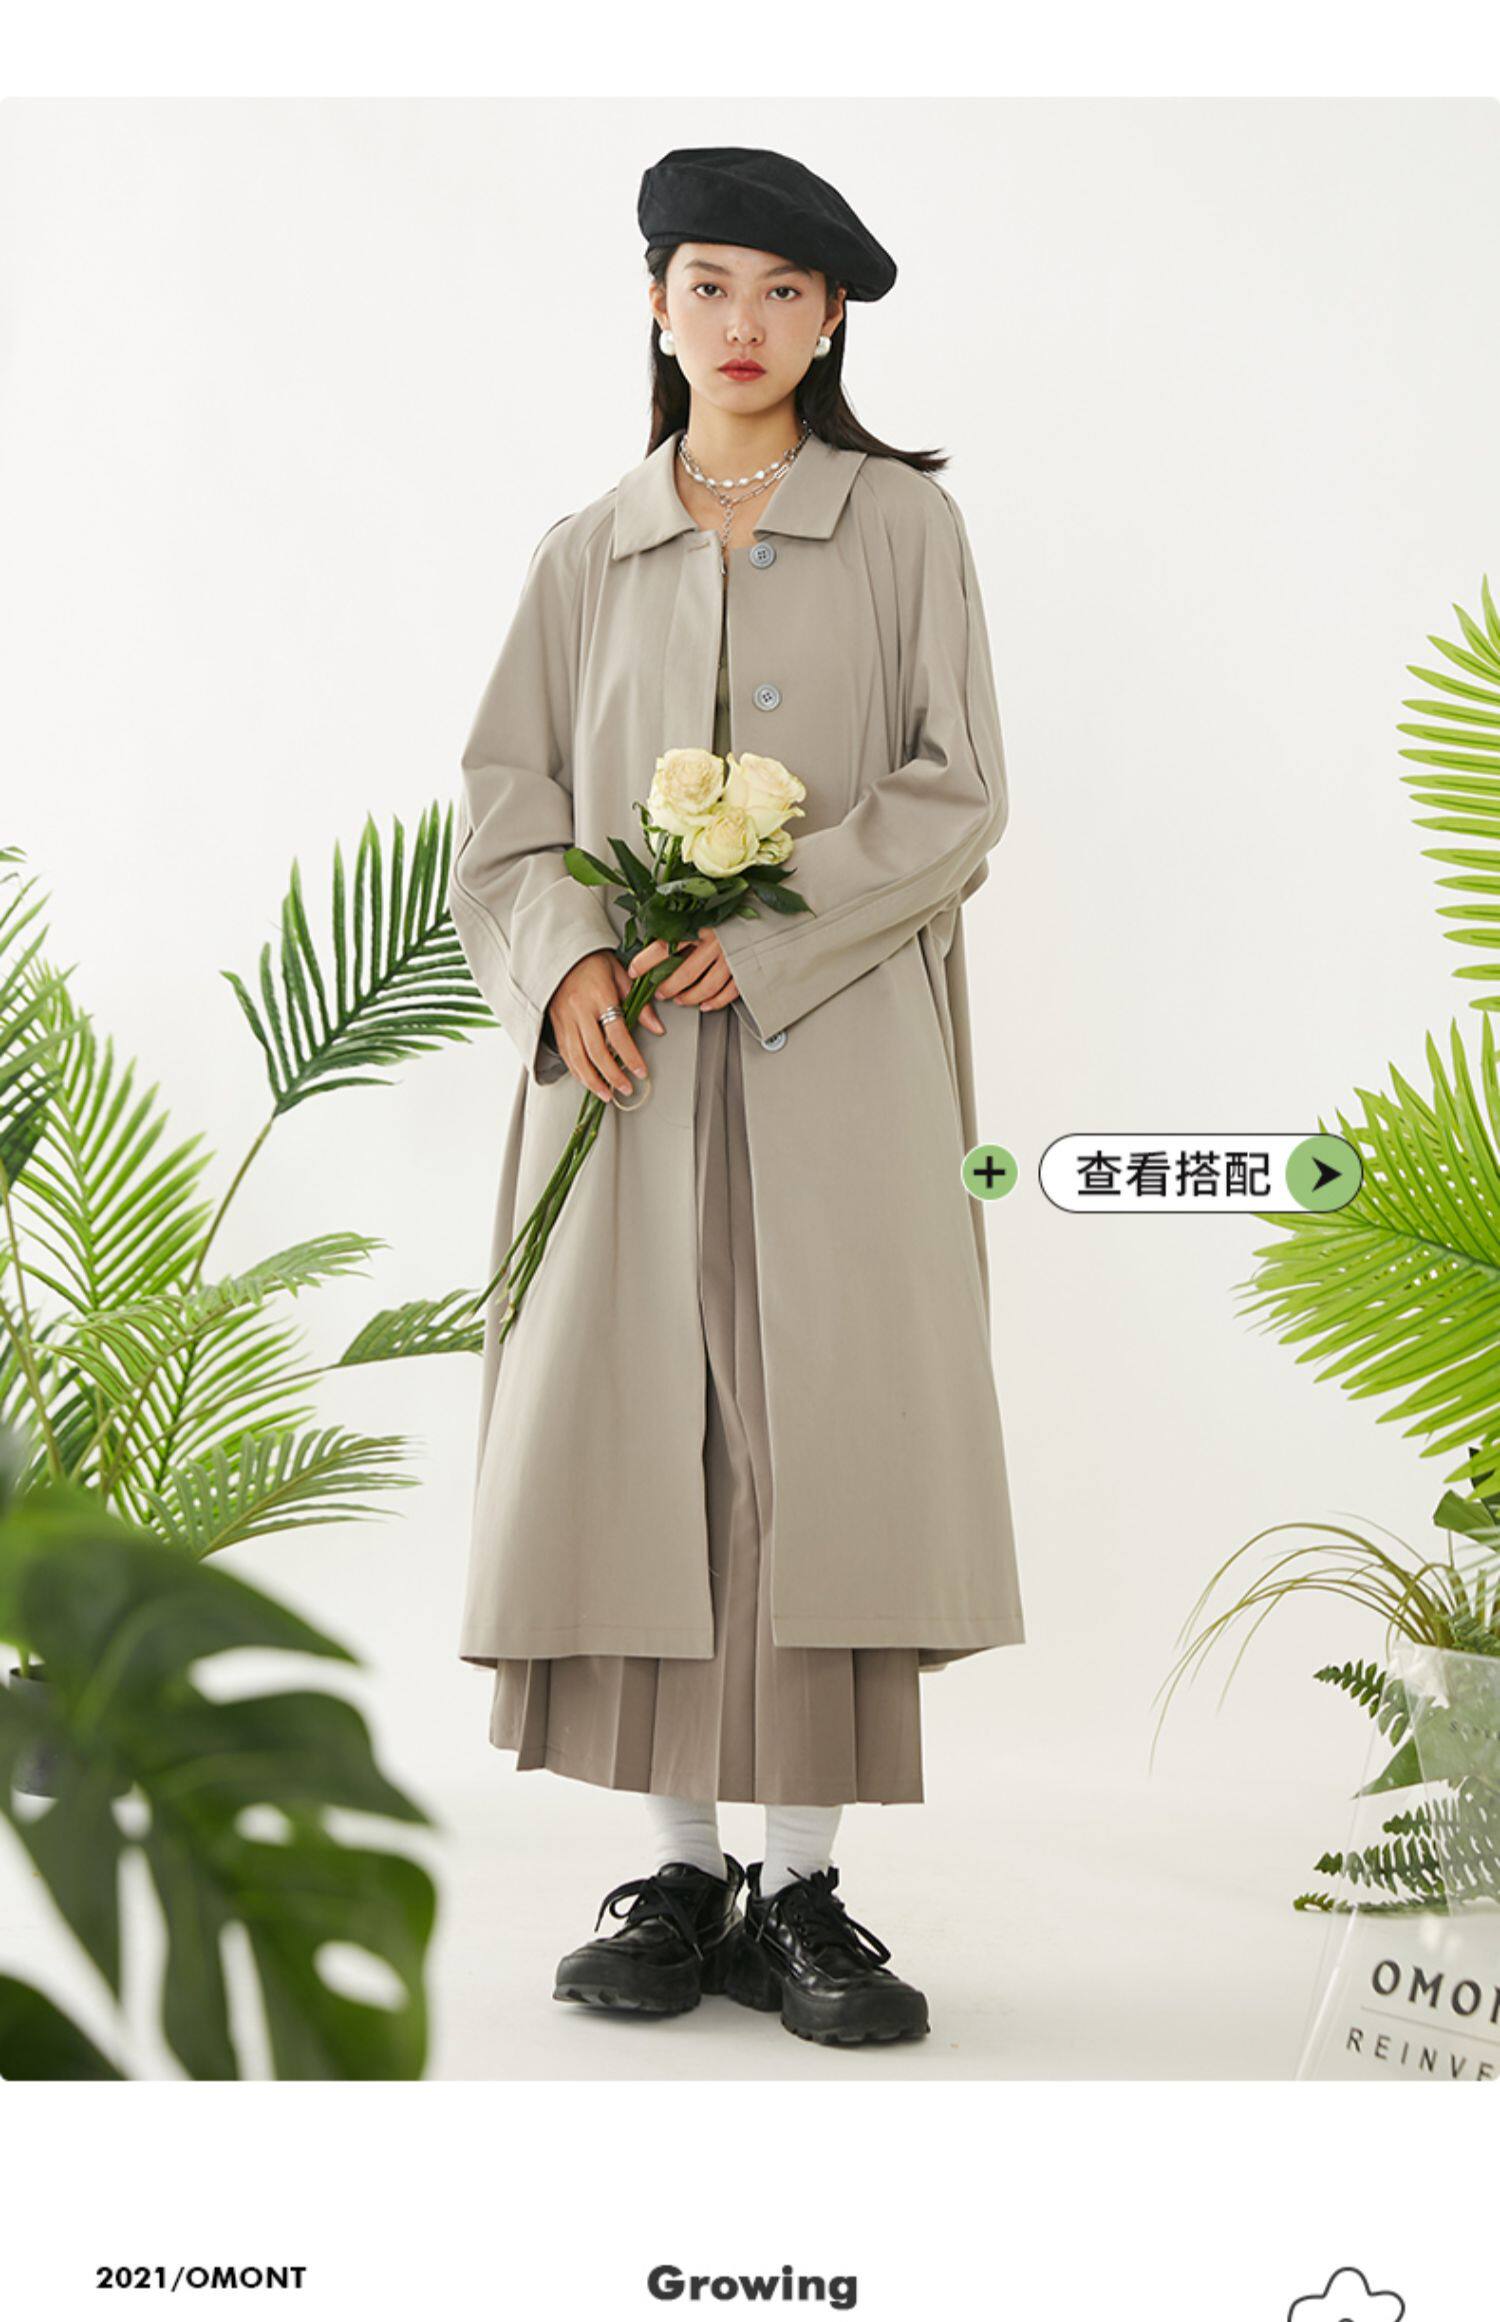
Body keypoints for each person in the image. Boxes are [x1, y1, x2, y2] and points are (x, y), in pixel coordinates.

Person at [448, 145, 1025, 2047]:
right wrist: (567, 966)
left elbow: (957, 791)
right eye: (709, 284)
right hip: (622, 1067)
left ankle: (802, 1883)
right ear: (655, 302)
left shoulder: (903, 528)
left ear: (832, 316)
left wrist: (773, 930)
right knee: (642, 1430)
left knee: (817, 1433)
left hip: (837, 1049)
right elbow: (506, 808)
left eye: (784, 290)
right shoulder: (585, 551)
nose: (746, 322)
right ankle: (678, 1873)